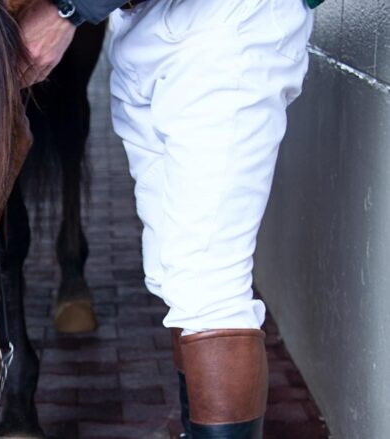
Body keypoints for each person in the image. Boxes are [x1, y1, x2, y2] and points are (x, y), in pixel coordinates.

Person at [18, 0, 316, 437]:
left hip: (224, 21)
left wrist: (69, 10)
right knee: (172, 277)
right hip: (137, 21)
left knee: (206, 286)